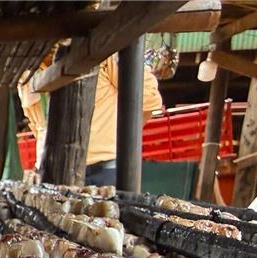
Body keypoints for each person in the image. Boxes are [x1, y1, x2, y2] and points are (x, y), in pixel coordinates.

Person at [19, 53, 163, 186]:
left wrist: (124, 141)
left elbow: (148, 98)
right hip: (49, 171)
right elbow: (38, 127)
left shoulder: (103, 56)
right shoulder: (26, 76)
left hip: (102, 172)